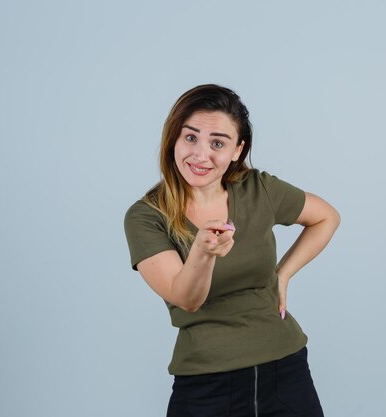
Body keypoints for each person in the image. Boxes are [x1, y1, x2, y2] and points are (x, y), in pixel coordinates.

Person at [124, 84, 340, 417]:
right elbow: (186, 299)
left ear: (237, 150)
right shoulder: (147, 216)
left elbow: (326, 217)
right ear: (174, 140)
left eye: (218, 143)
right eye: (191, 138)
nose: (200, 155)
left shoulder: (258, 189)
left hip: (285, 368)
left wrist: (282, 275)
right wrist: (203, 252)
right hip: (206, 383)